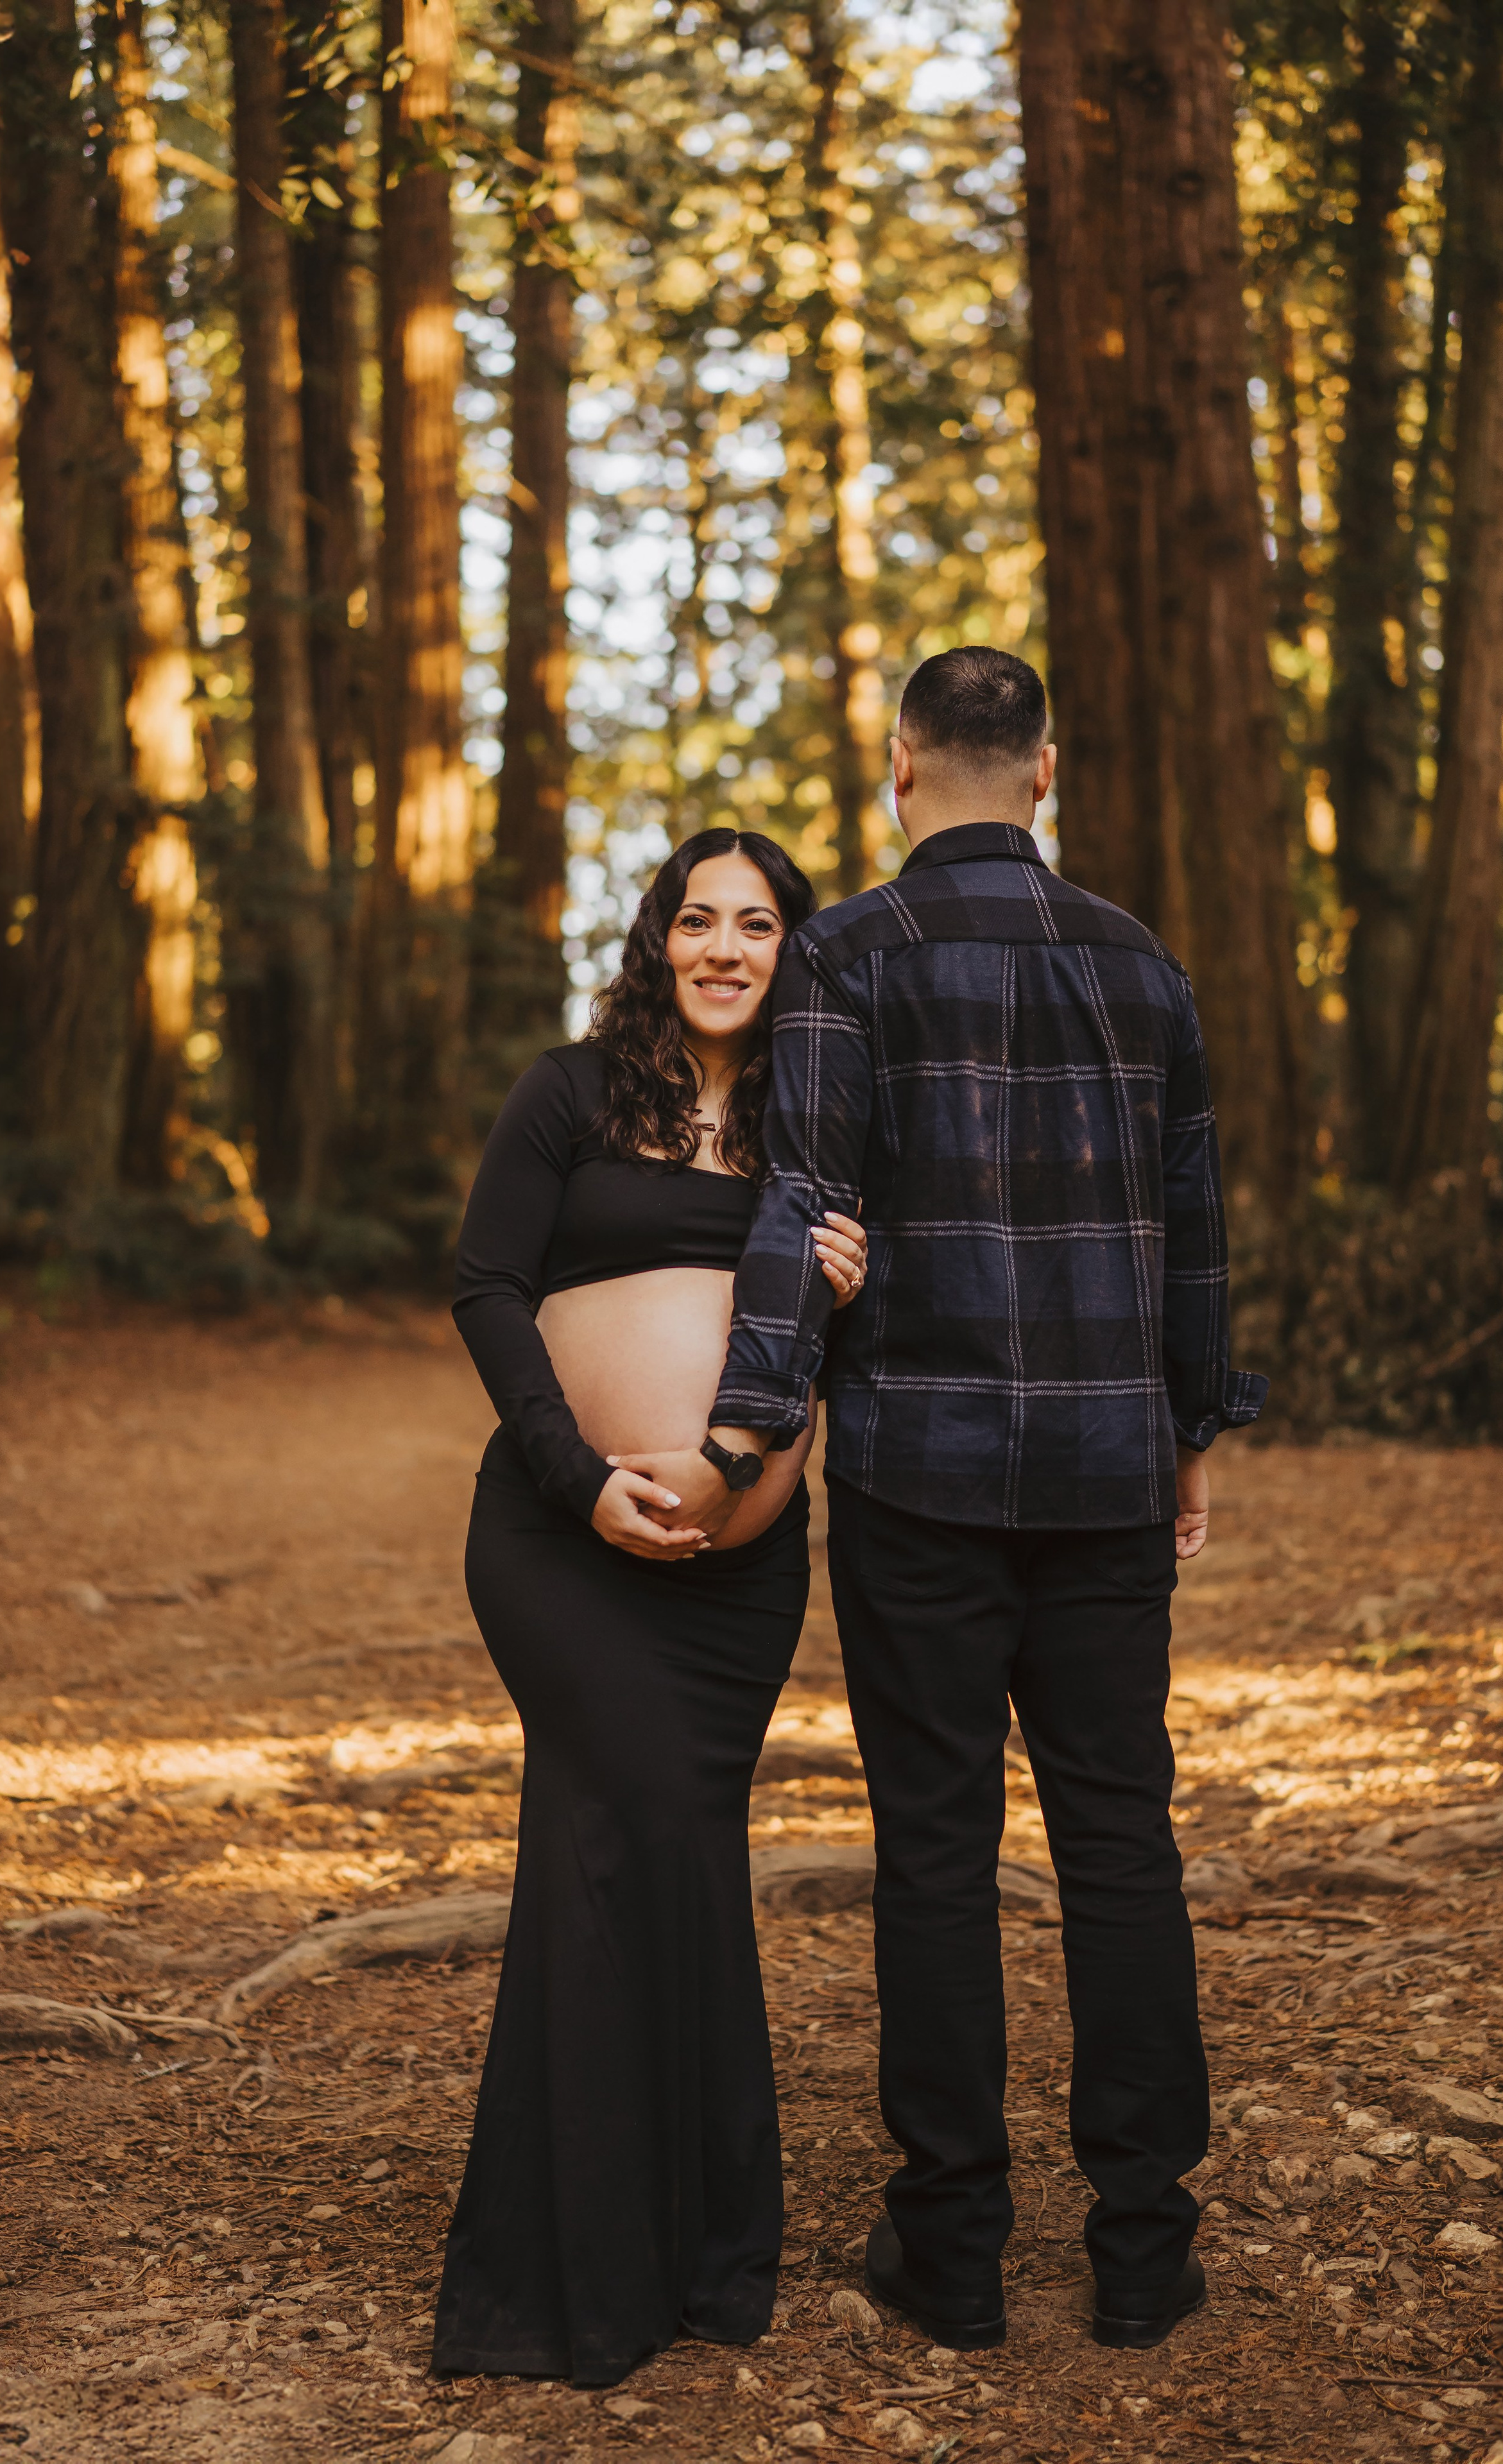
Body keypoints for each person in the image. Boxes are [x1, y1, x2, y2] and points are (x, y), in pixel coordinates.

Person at [617, 649, 1266, 2357]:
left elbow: (807, 1209)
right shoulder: (1144, 968)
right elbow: (1194, 1237)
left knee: (937, 1853)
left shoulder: (846, 955)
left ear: (902, 765)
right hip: (1113, 1478)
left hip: (921, 1476)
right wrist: (1194, 1432)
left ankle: (955, 2251)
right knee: (1122, 1845)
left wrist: (746, 1438)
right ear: (1042, 772)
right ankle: (1145, 2249)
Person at [431, 828, 868, 2390]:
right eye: (700, 920)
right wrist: (575, 1476)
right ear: (659, 939)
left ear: (789, 951)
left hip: (738, 1578)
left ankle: (694, 2251)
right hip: (557, 1544)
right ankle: (569, 2273)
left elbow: (845, 1359)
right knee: (606, 1845)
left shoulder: (824, 1124)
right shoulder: (569, 1091)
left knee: (669, 1853)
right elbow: (485, 1285)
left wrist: (848, 1289)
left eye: (757, 925)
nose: (727, 948)